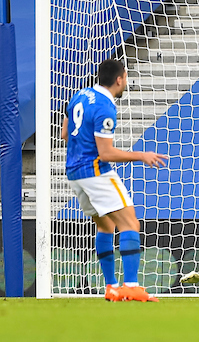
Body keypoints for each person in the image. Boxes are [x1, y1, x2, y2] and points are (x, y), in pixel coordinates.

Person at [61, 58, 168, 302]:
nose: (126, 83)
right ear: (119, 78)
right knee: (130, 222)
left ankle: (111, 287)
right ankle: (130, 286)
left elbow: (65, 134)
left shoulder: (80, 95)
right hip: (96, 171)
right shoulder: (105, 107)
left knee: (106, 226)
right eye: (126, 78)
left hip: (75, 173)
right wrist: (142, 155)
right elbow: (106, 153)